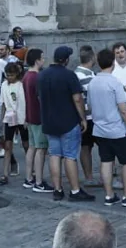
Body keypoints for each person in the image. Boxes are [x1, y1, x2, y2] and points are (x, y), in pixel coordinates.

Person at [37, 46, 94, 202]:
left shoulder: (42, 75)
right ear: (67, 60)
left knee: (54, 155)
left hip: (49, 121)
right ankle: (75, 191)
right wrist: (83, 118)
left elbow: (40, 98)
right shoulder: (69, 75)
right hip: (68, 121)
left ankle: (57, 189)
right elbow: (77, 99)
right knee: (70, 156)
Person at [89, 48, 126, 207]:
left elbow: (90, 106)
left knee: (106, 161)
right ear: (113, 62)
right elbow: (124, 109)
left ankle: (109, 195)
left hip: (99, 128)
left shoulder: (93, 82)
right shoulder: (114, 82)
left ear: (98, 63)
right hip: (116, 130)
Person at [21, 48, 48, 191]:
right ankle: (38, 181)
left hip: (30, 116)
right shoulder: (37, 77)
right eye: (42, 57)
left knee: (32, 147)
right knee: (41, 148)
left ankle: (29, 178)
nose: (44, 60)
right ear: (37, 60)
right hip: (38, 116)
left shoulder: (26, 76)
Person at [0, 60, 25, 184]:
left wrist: (25, 119)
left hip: (21, 117)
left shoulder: (21, 85)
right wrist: (1, 120)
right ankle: (5, 173)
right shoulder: (4, 85)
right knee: (7, 145)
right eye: (7, 75)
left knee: (26, 144)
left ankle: (33, 171)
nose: (9, 78)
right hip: (9, 116)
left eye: (11, 75)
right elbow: (3, 103)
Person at [75, 45, 99, 184]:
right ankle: (100, 176)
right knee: (102, 147)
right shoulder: (88, 76)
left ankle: (88, 177)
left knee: (86, 147)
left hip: (84, 116)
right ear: (92, 58)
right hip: (90, 116)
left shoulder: (77, 73)